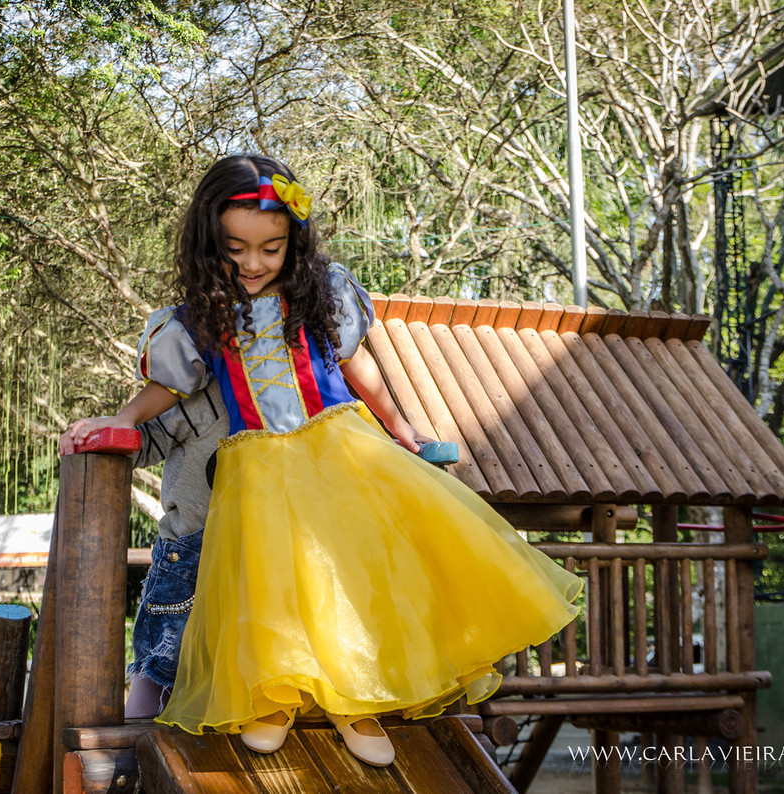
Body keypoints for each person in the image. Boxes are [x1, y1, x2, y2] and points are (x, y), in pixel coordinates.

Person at [62, 154, 583, 767]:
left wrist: (399, 426)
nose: (253, 263)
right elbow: (170, 387)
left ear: (294, 242)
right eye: (236, 249)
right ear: (209, 243)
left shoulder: (320, 295)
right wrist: (124, 419)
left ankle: (358, 707)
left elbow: (358, 365)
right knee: (274, 584)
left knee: (351, 571)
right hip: (258, 461)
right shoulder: (203, 318)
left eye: (270, 249)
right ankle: (274, 700)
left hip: (336, 446)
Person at [60, 383, 229, 718]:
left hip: (250, 555)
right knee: (160, 665)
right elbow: (146, 439)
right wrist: (104, 429)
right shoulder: (207, 397)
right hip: (189, 555)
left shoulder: (293, 395)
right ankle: (137, 734)